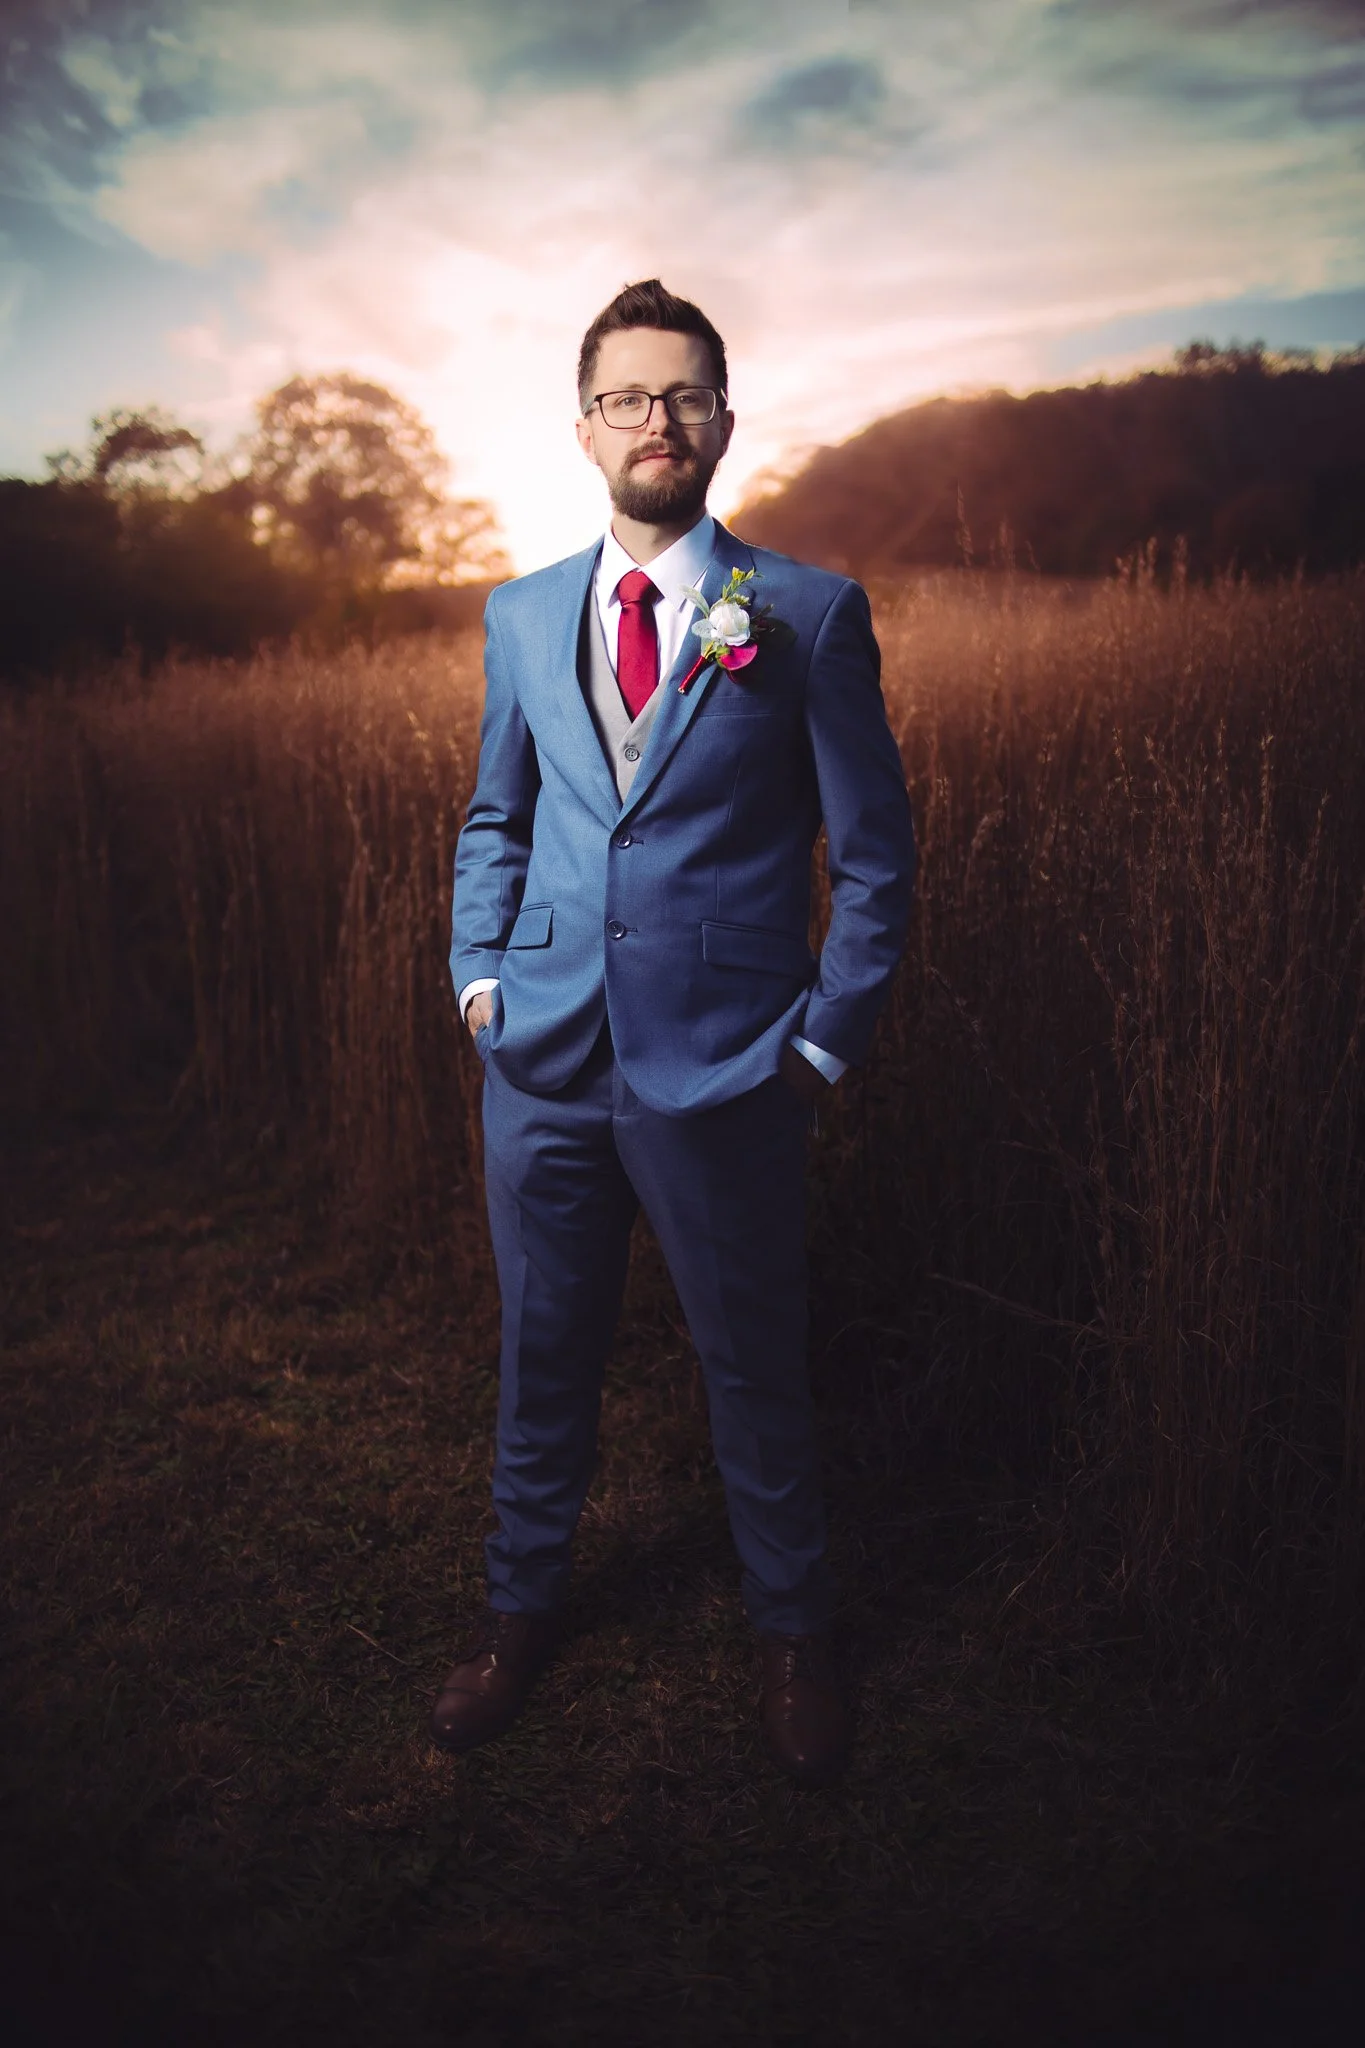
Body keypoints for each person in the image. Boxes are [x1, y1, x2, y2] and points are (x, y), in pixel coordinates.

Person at [433, 278, 916, 1785]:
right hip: (546, 1059)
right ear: (583, 428)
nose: (660, 421)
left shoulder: (807, 615)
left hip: (728, 1066)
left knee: (754, 1363)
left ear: (724, 418)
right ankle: (519, 1615)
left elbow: (878, 858)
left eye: (686, 395)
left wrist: (819, 1042)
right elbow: (496, 814)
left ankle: (797, 1633)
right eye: (629, 397)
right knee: (541, 1354)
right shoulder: (519, 615)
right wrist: (481, 978)